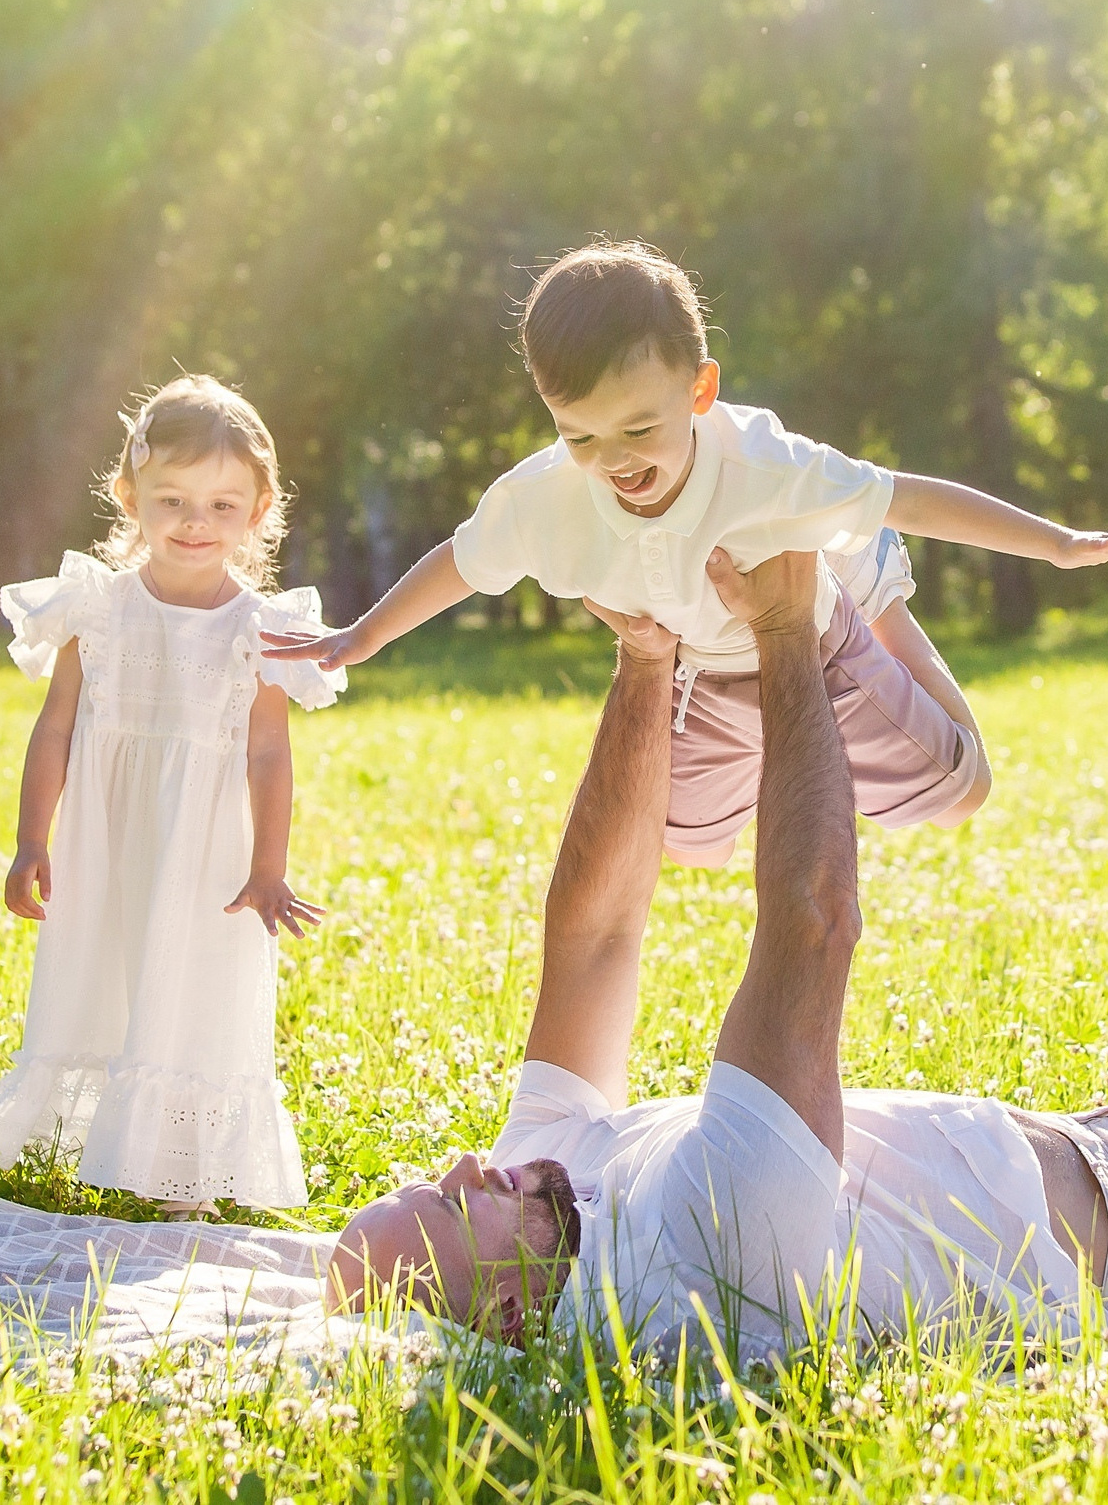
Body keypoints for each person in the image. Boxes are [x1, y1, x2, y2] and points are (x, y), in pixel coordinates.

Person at [326, 547, 1108, 1358]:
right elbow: (815, 921)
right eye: (452, 1207)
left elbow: (591, 940)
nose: (461, 1163)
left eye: (425, 1182)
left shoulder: (538, 1187)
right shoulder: (701, 1268)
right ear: (511, 1315)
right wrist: (785, 632)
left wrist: (643, 656)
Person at [263, 240, 1108, 866]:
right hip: (706, 664)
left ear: (700, 390)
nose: (615, 458)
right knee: (679, 841)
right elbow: (463, 560)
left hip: (818, 644)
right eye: (580, 433)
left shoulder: (767, 469)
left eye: (639, 427)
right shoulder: (543, 494)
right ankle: (841, 596)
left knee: (960, 796)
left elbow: (912, 494)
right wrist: (361, 637)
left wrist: (1059, 543)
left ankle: (873, 588)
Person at [0, 376, 345, 1218]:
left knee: (193, 980)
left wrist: (269, 864)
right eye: (171, 498)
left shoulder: (259, 628)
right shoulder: (96, 609)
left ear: (257, 513)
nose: (193, 521)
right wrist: (33, 840)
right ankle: (88, 1132)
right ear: (129, 494)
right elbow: (55, 727)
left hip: (205, 852)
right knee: (99, 966)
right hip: (106, 839)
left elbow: (269, 751)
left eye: (221, 503)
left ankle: (187, 1169)